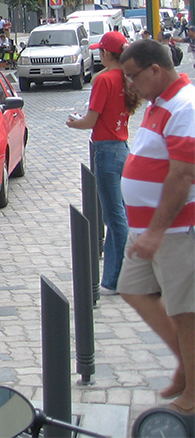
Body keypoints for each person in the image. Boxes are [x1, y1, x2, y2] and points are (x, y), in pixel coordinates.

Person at [117, 39, 194, 415]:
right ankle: (186, 363)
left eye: (133, 77)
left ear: (155, 70)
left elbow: (181, 176)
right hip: (147, 230)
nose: (130, 85)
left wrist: (157, 231)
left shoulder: (184, 105)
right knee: (132, 287)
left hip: (177, 231)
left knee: (186, 313)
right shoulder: (156, 104)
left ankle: (194, 395)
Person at [66, 31, 141, 295]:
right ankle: (114, 276)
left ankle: (119, 278)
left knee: (114, 218)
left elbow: (91, 120)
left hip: (106, 151)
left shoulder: (104, 79)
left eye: (101, 51)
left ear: (107, 54)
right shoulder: (128, 79)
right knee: (120, 213)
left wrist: (74, 122)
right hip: (122, 147)